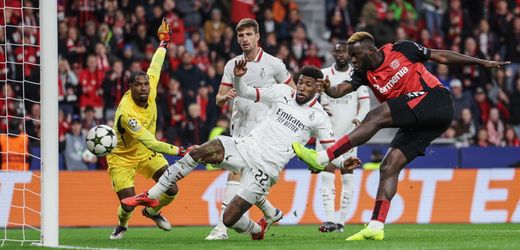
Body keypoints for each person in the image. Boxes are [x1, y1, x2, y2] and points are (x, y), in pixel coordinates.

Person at [292, 31, 509, 240]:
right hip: (420, 121)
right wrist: (328, 88)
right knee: (388, 166)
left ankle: (322, 158)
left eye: (356, 55)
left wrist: (481, 62)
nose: (353, 61)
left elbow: (441, 55)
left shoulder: (403, 49)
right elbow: (339, 91)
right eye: (351, 57)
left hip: (436, 100)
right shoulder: (362, 74)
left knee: (375, 116)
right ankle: (376, 226)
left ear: (370, 51)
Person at [121, 65, 359, 240]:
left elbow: (330, 151)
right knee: (200, 151)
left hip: (267, 168)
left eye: (308, 84)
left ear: (319, 87)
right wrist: (237, 77)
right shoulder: (282, 92)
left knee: (229, 219)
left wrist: (342, 164)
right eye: (301, 82)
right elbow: (245, 92)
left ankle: (257, 228)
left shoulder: (319, 117)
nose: (302, 88)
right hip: (247, 146)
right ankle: (153, 194)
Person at [208, 18, 296, 240]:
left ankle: (221, 229)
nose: (244, 39)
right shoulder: (232, 65)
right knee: (248, 177)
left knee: (236, 173)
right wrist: (224, 97)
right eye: (240, 36)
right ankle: (269, 211)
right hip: (240, 125)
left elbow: (293, 93)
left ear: (258, 37)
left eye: (248, 35)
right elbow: (218, 98)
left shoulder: (274, 63)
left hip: (264, 131)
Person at [106, 19, 190, 240]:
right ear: (130, 87)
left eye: (145, 84)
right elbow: (151, 142)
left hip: (145, 154)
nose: (144, 87)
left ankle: (152, 211)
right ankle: (121, 226)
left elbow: (156, 65)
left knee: (172, 189)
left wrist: (164, 43)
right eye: (138, 85)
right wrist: (180, 151)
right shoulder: (127, 115)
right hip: (122, 157)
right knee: (127, 203)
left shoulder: (150, 87)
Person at [317, 41, 370, 233]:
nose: (339, 54)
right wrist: (318, 108)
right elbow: (311, 100)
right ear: (332, 53)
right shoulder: (323, 75)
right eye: (336, 51)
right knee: (327, 175)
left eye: (343, 51)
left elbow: (365, 105)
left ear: (348, 54)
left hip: (349, 135)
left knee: (347, 177)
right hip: (326, 134)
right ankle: (330, 219)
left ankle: (341, 221)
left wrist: (358, 119)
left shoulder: (356, 76)